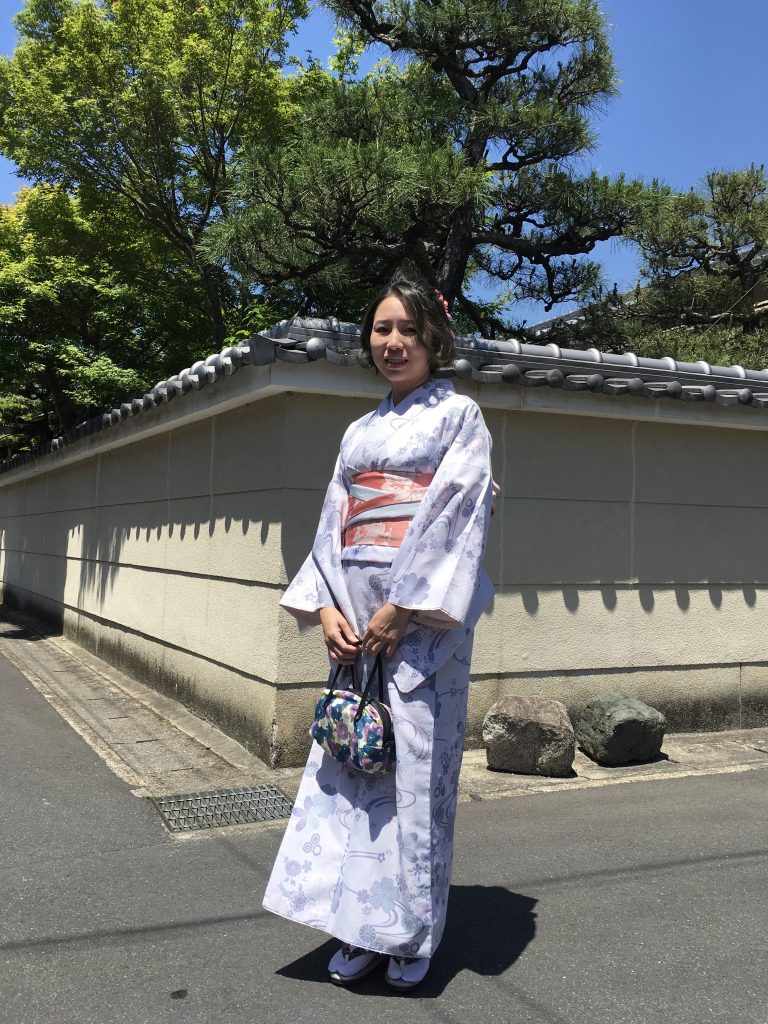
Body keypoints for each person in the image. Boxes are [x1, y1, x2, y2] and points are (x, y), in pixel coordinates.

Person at [262, 272, 495, 991]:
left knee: (415, 780)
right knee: (352, 769)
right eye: (381, 329)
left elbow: (459, 513)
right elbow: (334, 522)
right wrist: (328, 609)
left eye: (408, 330)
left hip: (418, 628)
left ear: (434, 339)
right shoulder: (358, 432)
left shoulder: (460, 417)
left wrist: (403, 605)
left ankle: (411, 933)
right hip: (356, 619)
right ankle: (355, 925)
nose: (393, 342)